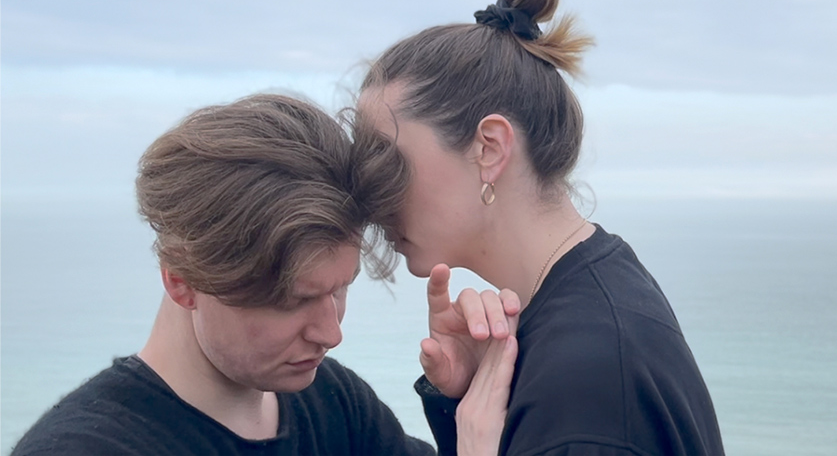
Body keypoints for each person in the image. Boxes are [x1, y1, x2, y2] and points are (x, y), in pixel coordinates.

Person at [12, 93, 517, 456]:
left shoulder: (334, 403)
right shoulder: (86, 446)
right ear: (182, 280)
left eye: (340, 290)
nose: (331, 333)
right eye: (293, 301)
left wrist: (463, 402)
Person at [356, 0, 726, 455]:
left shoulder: (585, 386)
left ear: (489, 149)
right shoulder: (593, 297)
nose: (368, 194)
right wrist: (467, 400)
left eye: (384, 161)